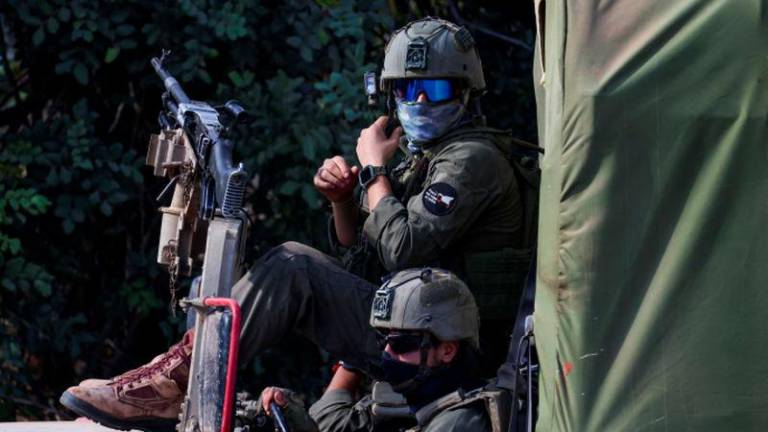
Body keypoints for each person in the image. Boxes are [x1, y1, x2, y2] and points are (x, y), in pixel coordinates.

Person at [60, 17, 528, 432]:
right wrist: (344, 201)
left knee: (293, 267)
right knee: (297, 268)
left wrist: (372, 172)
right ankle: (175, 375)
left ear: (466, 93)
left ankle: (171, 382)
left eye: (438, 89)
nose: (420, 101)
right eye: (407, 89)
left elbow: (404, 250)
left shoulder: (472, 160)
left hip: (450, 345)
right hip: (416, 328)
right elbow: (364, 260)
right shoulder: (425, 160)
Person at [260, 268, 492, 432]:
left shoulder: (458, 422)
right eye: (384, 342)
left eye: (401, 344)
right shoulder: (421, 402)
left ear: (448, 350)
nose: (388, 353)